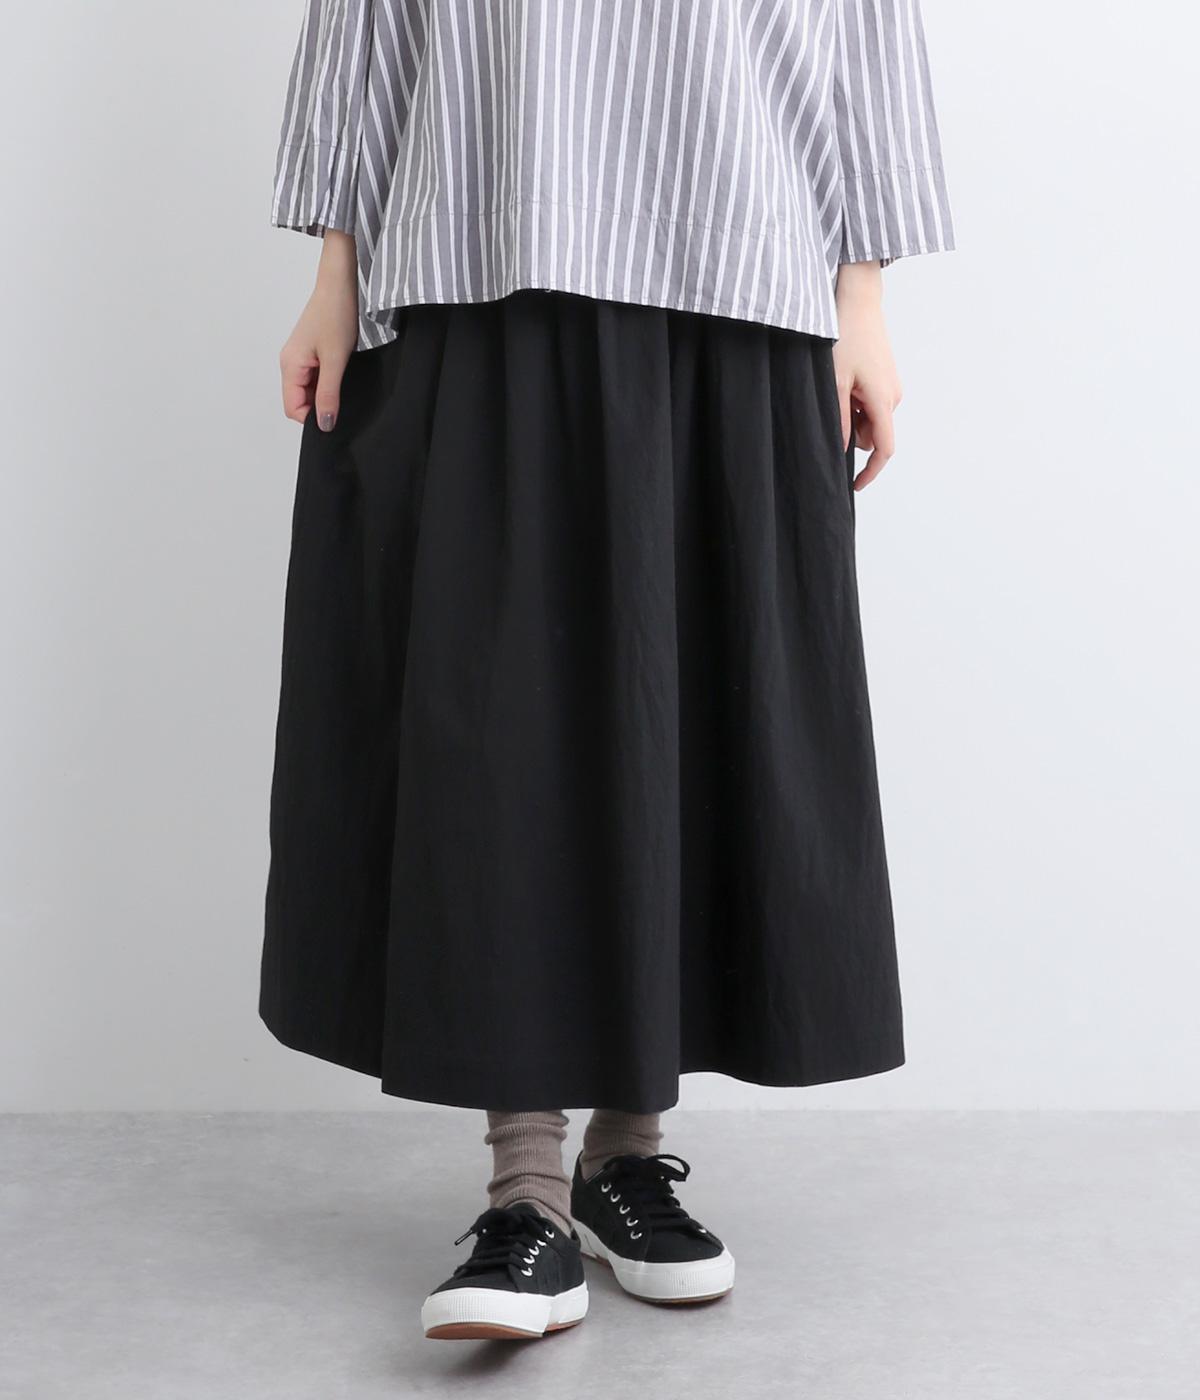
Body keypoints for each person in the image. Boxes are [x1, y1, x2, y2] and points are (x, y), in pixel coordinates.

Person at [262, 0, 954, 1343]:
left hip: (739, 260)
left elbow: (866, 26)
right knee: (499, 727)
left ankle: (624, 1157)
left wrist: (861, 296)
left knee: (681, 711)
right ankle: (523, 1187)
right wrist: (336, 267)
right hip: (486, 246)